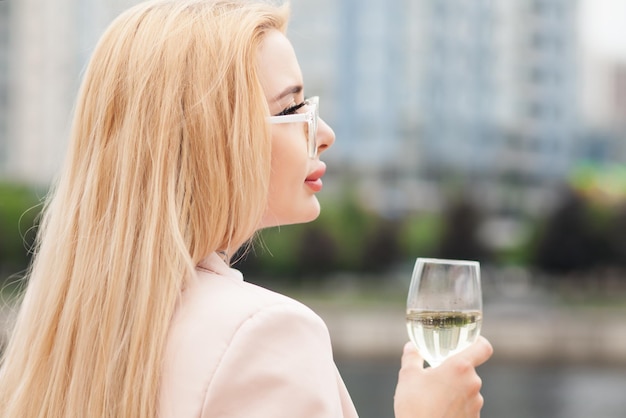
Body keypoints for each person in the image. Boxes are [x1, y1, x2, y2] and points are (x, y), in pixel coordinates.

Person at [0, 0, 493, 417]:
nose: (323, 134)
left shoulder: (53, 339)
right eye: (291, 109)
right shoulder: (264, 335)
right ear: (213, 138)